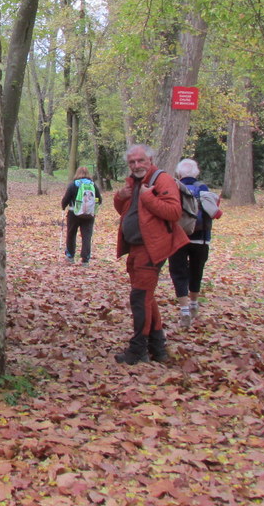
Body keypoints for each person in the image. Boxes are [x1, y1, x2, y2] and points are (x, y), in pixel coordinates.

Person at [112, 144, 190, 365]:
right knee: (146, 297)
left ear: (150, 160)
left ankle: (138, 350)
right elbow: (128, 211)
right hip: (135, 247)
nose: (136, 165)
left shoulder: (161, 180)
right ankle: (158, 346)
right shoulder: (133, 182)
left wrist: (148, 198)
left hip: (152, 247)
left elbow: (174, 212)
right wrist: (120, 197)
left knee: (139, 298)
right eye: (132, 162)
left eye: (140, 161)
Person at [169, 158, 223, 327]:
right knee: (196, 271)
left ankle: (184, 309)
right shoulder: (203, 188)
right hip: (201, 238)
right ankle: (193, 303)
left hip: (178, 237)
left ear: (179, 173)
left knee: (178, 272)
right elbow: (215, 212)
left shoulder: (174, 188)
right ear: (196, 173)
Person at [60, 166, 101, 264]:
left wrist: (63, 206)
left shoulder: (73, 185)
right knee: (87, 236)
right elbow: (99, 199)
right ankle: (85, 259)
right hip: (89, 215)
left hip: (73, 213)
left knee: (71, 234)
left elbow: (65, 199)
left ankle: (70, 256)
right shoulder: (93, 185)